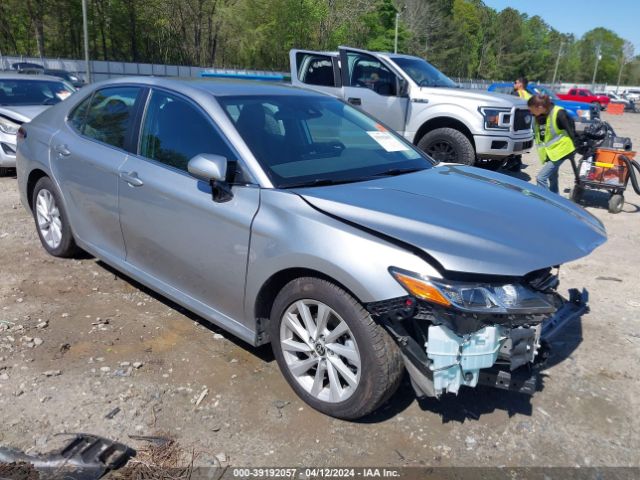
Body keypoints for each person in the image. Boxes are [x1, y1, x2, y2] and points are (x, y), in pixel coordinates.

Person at [527, 94, 576, 194]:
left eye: (531, 109)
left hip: (562, 151)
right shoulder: (538, 116)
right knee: (553, 177)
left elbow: (571, 131)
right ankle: (555, 198)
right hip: (551, 152)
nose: (530, 112)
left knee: (541, 177)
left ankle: (545, 201)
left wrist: (575, 148)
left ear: (539, 107)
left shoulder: (559, 113)